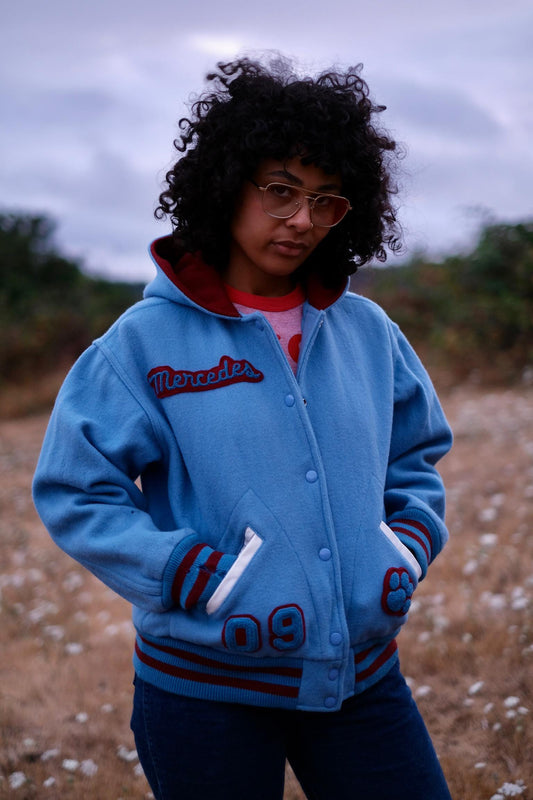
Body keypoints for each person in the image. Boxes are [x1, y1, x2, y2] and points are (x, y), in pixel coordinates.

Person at [33, 56, 453, 800]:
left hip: (361, 678)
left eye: (327, 202)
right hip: (202, 693)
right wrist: (193, 574)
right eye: (281, 191)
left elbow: (416, 455)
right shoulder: (141, 344)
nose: (302, 220)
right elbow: (77, 490)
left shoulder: (367, 330)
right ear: (226, 186)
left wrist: (402, 547)